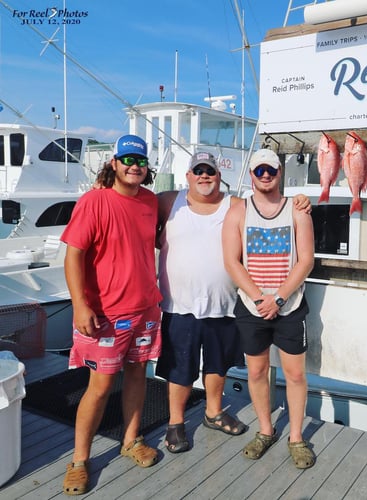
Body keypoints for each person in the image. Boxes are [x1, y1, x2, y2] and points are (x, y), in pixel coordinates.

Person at [155, 151, 312, 453]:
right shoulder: (167, 201)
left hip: (224, 303)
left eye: (210, 171)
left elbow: (271, 203)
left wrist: (302, 199)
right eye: (198, 170)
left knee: (217, 364)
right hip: (179, 304)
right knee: (180, 367)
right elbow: (137, 209)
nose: (204, 176)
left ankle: (214, 412)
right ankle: (176, 424)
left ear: (219, 176)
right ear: (188, 176)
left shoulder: (234, 204)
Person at [61, 134, 163, 495]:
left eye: (140, 162)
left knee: (138, 375)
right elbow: (73, 256)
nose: (134, 167)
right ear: (114, 164)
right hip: (105, 314)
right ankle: (79, 461)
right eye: (128, 161)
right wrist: (79, 304)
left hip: (146, 310)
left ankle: (131, 439)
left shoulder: (151, 202)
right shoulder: (94, 201)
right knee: (100, 387)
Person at [222, 148, 316, 469]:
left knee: (295, 374)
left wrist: (278, 298)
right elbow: (232, 262)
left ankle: (297, 437)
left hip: (289, 307)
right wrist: (259, 297)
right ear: (251, 174)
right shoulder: (238, 212)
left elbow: (306, 260)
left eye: (271, 171)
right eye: (259, 170)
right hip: (252, 307)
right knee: (257, 371)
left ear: (279, 174)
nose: (265, 175)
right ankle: (266, 429)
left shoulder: (297, 209)